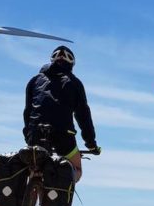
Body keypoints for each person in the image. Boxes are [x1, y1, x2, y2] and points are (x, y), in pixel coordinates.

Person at [23, 46, 100, 182]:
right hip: (63, 136)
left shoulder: (34, 81)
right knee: (76, 169)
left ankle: (31, 196)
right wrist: (91, 144)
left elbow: (27, 113)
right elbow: (83, 116)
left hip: (35, 135)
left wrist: (28, 136)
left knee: (34, 169)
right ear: (71, 64)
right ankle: (55, 197)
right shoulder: (74, 83)